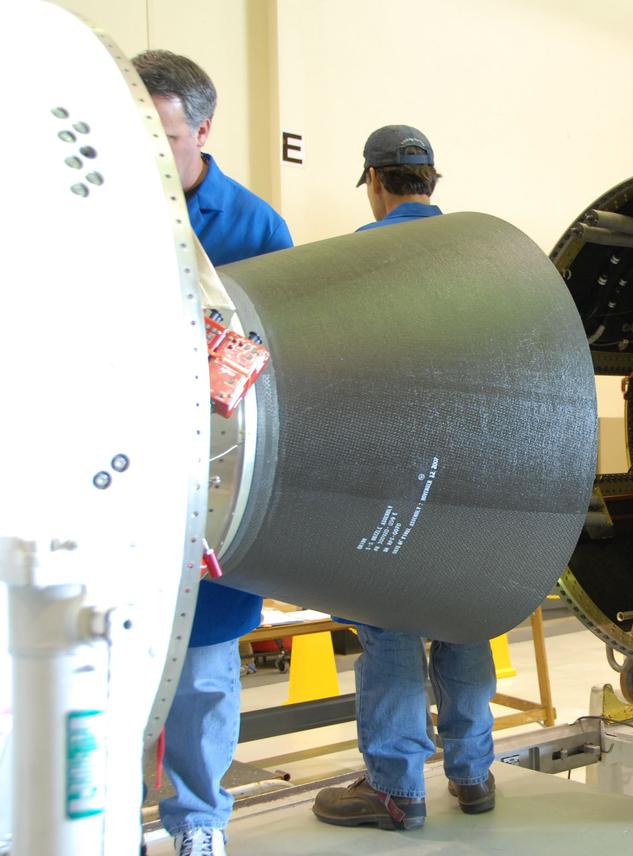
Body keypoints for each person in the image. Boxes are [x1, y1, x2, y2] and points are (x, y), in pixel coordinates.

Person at [311, 125, 497, 831]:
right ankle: (473, 776)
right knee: (462, 619)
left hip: (395, 476)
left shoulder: (360, 259)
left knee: (390, 625)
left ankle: (395, 789)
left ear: (375, 181)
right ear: (431, 181)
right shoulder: (479, 257)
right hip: (475, 478)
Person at [132, 49, 292, 856]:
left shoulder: (255, 228)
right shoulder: (103, 205)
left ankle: (198, 821)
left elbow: (289, 362)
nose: (150, 151)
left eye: (164, 136)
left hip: (219, 483)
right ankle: (108, 823)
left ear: (202, 129)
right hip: (124, 477)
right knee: (109, 662)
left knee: (202, 673)